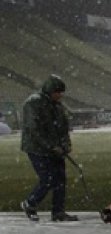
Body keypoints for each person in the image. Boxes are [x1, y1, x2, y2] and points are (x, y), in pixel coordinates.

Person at [20, 74, 77, 222]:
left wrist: (65, 145)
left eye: (61, 93)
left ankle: (58, 212)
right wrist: (51, 146)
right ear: (50, 91)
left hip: (55, 149)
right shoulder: (33, 103)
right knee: (48, 179)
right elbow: (34, 130)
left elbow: (63, 127)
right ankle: (30, 203)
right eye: (58, 92)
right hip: (36, 149)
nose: (60, 96)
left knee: (60, 180)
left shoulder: (57, 105)